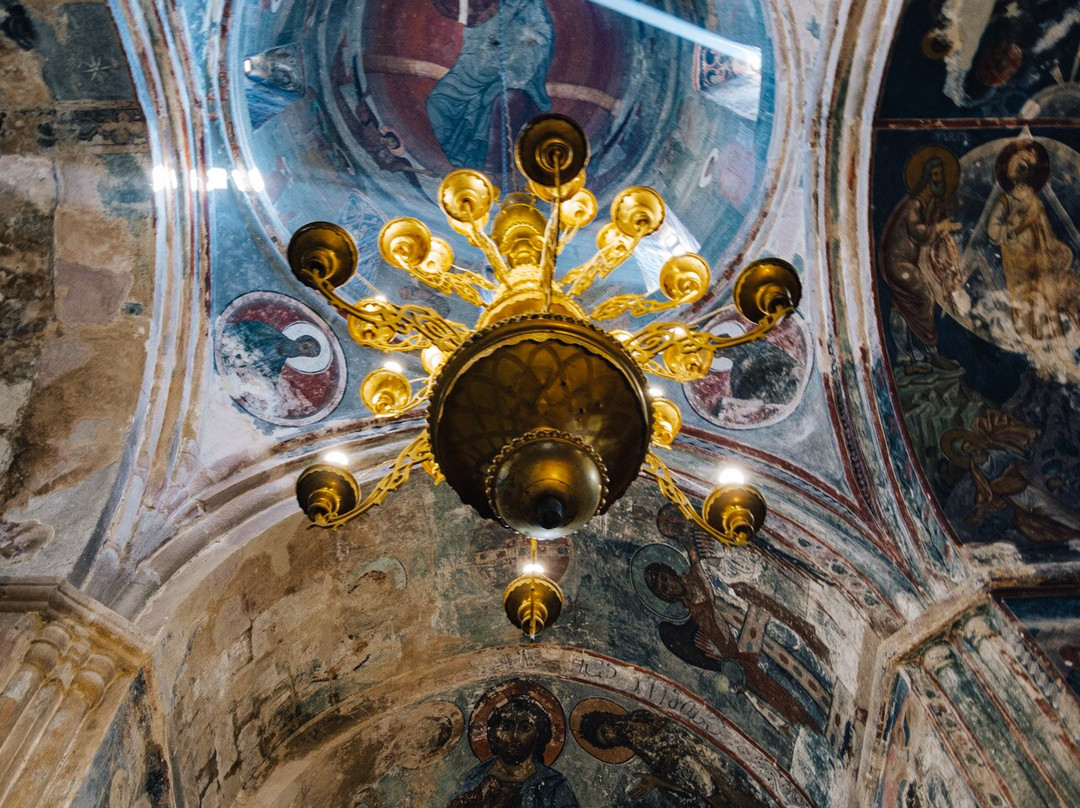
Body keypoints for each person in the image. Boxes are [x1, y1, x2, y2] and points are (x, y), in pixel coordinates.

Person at [644, 557, 817, 730]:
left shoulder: (700, 571)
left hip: (765, 626)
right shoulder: (693, 617)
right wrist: (732, 670)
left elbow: (741, 576)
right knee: (775, 691)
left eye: (665, 579)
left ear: (671, 572)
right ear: (666, 597)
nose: (670, 586)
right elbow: (721, 649)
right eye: (664, 589)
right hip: (747, 658)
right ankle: (807, 722)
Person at [426, 0, 555, 168]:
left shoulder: (524, 3)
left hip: (519, 73)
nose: (477, 21)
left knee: (503, 102)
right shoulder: (474, 21)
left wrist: (513, 61)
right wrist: (479, 70)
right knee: (437, 102)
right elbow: (470, 55)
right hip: (476, 74)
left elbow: (542, 37)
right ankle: (463, 161)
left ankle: (491, 167)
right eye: (469, 18)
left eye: (477, 16)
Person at [576, 709, 767, 808]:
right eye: (606, 741)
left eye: (604, 731)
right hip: (682, 772)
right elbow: (662, 765)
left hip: (688, 754)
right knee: (709, 798)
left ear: (606, 720)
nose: (610, 737)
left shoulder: (635, 719)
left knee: (725, 788)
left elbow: (669, 729)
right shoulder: (632, 744)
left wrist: (674, 754)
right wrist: (656, 779)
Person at [986, 140, 1080, 341]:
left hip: (1040, 257)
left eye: (1028, 169)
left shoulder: (1036, 202)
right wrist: (1016, 227)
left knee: (1046, 296)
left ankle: (1050, 337)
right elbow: (993, 231)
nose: (1024, 174)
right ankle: (1031, 338)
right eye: (1020, 168)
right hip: (1017, 260)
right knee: (1024, 299)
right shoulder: (1006, 201)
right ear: (1011, 172)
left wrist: (1057, 249)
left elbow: (1046, 231)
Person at [879, 150, 962, 371]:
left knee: (901, 304)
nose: (940, 180)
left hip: (902, 262)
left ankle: (907, 359)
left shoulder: (926, 204)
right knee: (925, 298)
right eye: (935, 175)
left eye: (941, 175)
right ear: (926, 178)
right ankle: (932, 353)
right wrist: (940, 227)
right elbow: (917, 231)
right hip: (899, 263)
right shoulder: (914, 204)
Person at [448, 696, 578, 808]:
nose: (514, 735)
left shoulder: (553, 784)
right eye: (507, 726)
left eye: (524, 728)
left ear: (538, 734)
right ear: (494, 732)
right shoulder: (475, 778)